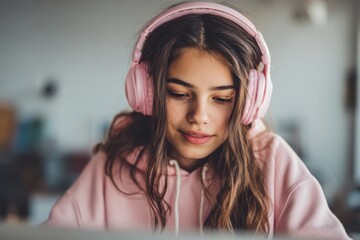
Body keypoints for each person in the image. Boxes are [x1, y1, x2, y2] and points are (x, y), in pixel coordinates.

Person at [44, 2, 350, 239]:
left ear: (249, 101)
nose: (199, 117)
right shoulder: (109, 168)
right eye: (179, 93)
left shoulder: (274, 163)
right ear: (147, 92)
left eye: (221, 99)